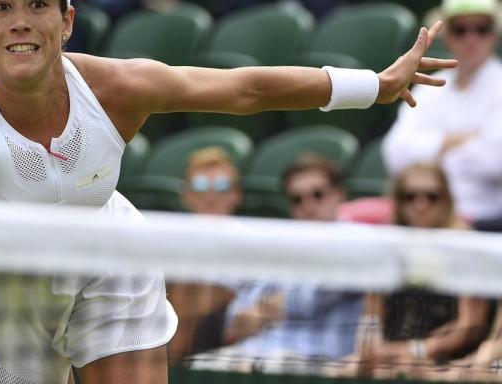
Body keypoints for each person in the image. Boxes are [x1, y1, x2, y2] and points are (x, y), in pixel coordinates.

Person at [0, 0, 453, 382]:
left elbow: (242, 87)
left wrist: (375, 86)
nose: (19, 20)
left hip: (105, 250)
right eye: (0, 7)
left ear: (67, 18)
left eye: (36, 5)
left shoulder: (118, 87)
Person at [191, 154, 364, 375]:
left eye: (317, 195)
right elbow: (238, 317)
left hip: (314, 361)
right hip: (254, 355)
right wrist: (261, 310)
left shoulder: (356, 238)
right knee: (197, 367)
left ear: (339, 194)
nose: (308, 205)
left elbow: (312, 297)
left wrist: (262, 309)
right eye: (297, 199)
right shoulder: (282, 242)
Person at [349, 162, 492, 379]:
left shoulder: (466, 246)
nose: (421, 204)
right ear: (398, 202)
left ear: (446, 201)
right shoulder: (388, 245)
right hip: (389, 353)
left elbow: (469, 328)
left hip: (444, 360)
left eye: (431, 196)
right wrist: (370, 347)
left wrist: (413, 351)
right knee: (341, 369)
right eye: (410, 196)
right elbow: (371, 315)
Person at [383, 0, 502, 231]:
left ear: (494, 34)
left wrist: (429, 150)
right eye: (460, 29)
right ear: (447, 36)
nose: (471, 38)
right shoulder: (426, 89)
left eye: (482, 29)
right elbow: (394, 155)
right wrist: (450, 142)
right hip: (421, 212)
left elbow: (495, 161)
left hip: (482, 220)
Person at [166, 147, 239, 360]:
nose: (210, 195)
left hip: (226, 338)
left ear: (236, 194)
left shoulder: (254, 241)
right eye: (199, 185)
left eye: (221, 186)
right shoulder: (169, 241)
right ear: (186, 194)